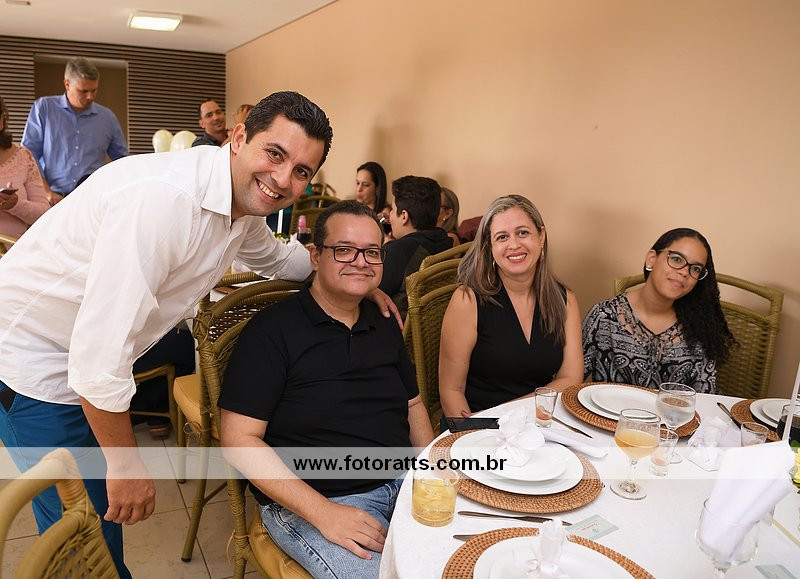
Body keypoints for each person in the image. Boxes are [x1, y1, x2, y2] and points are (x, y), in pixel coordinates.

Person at [0, 91, 394, 577]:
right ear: (238, 137)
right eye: (274, 153)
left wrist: (353, 276)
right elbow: (97, 358)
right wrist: (126, 463)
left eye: (301, 171)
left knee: (98, 530)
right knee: (83, 536)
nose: (282, 179)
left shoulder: (240, 205)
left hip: (85, 355)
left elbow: (278, 258)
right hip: (32, 360)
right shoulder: (166, 203)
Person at [219, 200, 434, 578]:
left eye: (372, 252)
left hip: (403, 482)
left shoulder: (383, 318)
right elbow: (239, 440)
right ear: (316, 256)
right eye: (345, 250)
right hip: (319, 500)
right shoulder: (272, 332)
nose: (361, 262)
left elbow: (412, 403)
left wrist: (431, 474)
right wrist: (325, 513)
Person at [438, 195, 584, 416]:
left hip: (538, 420)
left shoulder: (565, 300)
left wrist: (513, 416)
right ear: (489, 247)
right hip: (477, 422)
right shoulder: (467, 300)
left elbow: (570, 377)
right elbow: (451, 391)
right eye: (502, 237)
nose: (514, 245)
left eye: (523, 233)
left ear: (541, 236)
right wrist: (482, 427)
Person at [582, 228, 734, 393]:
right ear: (652, 259)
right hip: (609, 410)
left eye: (696, 268)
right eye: (676, 259)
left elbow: (705, 394)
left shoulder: (699, 326)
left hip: (676, 411)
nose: (684, 272)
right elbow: (571, 379)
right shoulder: (603, 316)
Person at [21, 57, 127, 201]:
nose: (90, 97)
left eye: (94, 90)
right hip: (53, 198)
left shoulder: (107, 118)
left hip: (93, 198)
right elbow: (28, 155)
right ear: (67, 84)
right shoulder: (44, 108)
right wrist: (46, 191)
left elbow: (122, 161)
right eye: (83, 91)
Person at [379, 175, 453, 318]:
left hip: (398, 327)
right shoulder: (445, 242)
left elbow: (370, 295)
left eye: (392, 209)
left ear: (404, 216)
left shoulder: (397, 251)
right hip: (432, 326)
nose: (390, 216)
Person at [0, 95, 51, 241]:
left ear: (2, 120)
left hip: (15, 250)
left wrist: (15, 205)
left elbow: (44, 213)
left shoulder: (23, 156)